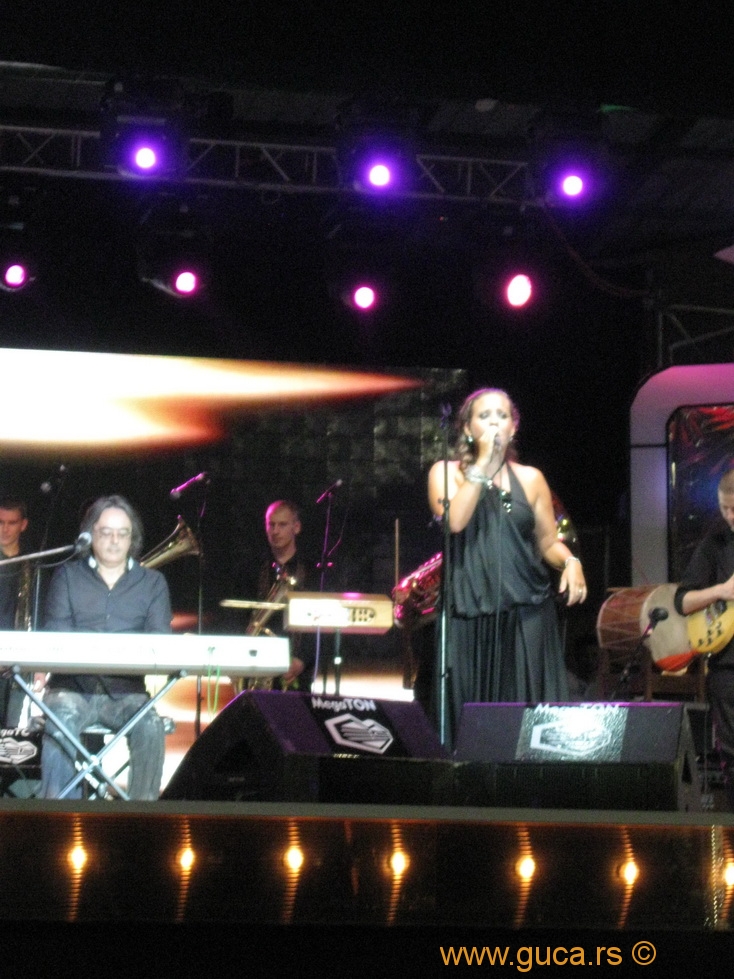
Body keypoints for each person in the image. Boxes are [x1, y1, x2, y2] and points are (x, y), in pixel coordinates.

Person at [427, 387, 587, 747]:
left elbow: (547, 542)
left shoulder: (531, 478)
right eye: (484, 416)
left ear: (513, 428)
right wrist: (482, 464)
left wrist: (570, 561)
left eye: (502, 416)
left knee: (526, 726)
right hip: (467, 615)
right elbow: (455, 521)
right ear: (467, 428)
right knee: (469, 731)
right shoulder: (445, 473)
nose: (494, 423)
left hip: (525, 614)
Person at [40, 494, 171, 800]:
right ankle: (59, 819)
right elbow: (56, 635)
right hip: (71, 690)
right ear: (90, 535)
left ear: (132, 538)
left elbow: (159, 642)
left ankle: (143, 818)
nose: (114, 541)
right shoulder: (67, 576)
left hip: (127, 693)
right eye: (106, 532)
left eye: (122, 533)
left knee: (150, 727)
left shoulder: (152, 583)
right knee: (58, 727)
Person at [674, 467, 734, 810]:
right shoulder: (716, 544)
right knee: (731, 753)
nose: (730, 516)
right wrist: (721, 591)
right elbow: (682, 601)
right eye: (725, 508)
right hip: (726, 666)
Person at [0, 498, 31, 727]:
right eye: (0, 522)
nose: (5, 529)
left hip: (19, 661)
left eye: (11, 523)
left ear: (23, 525)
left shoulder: (32, 564)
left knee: (12, 733)